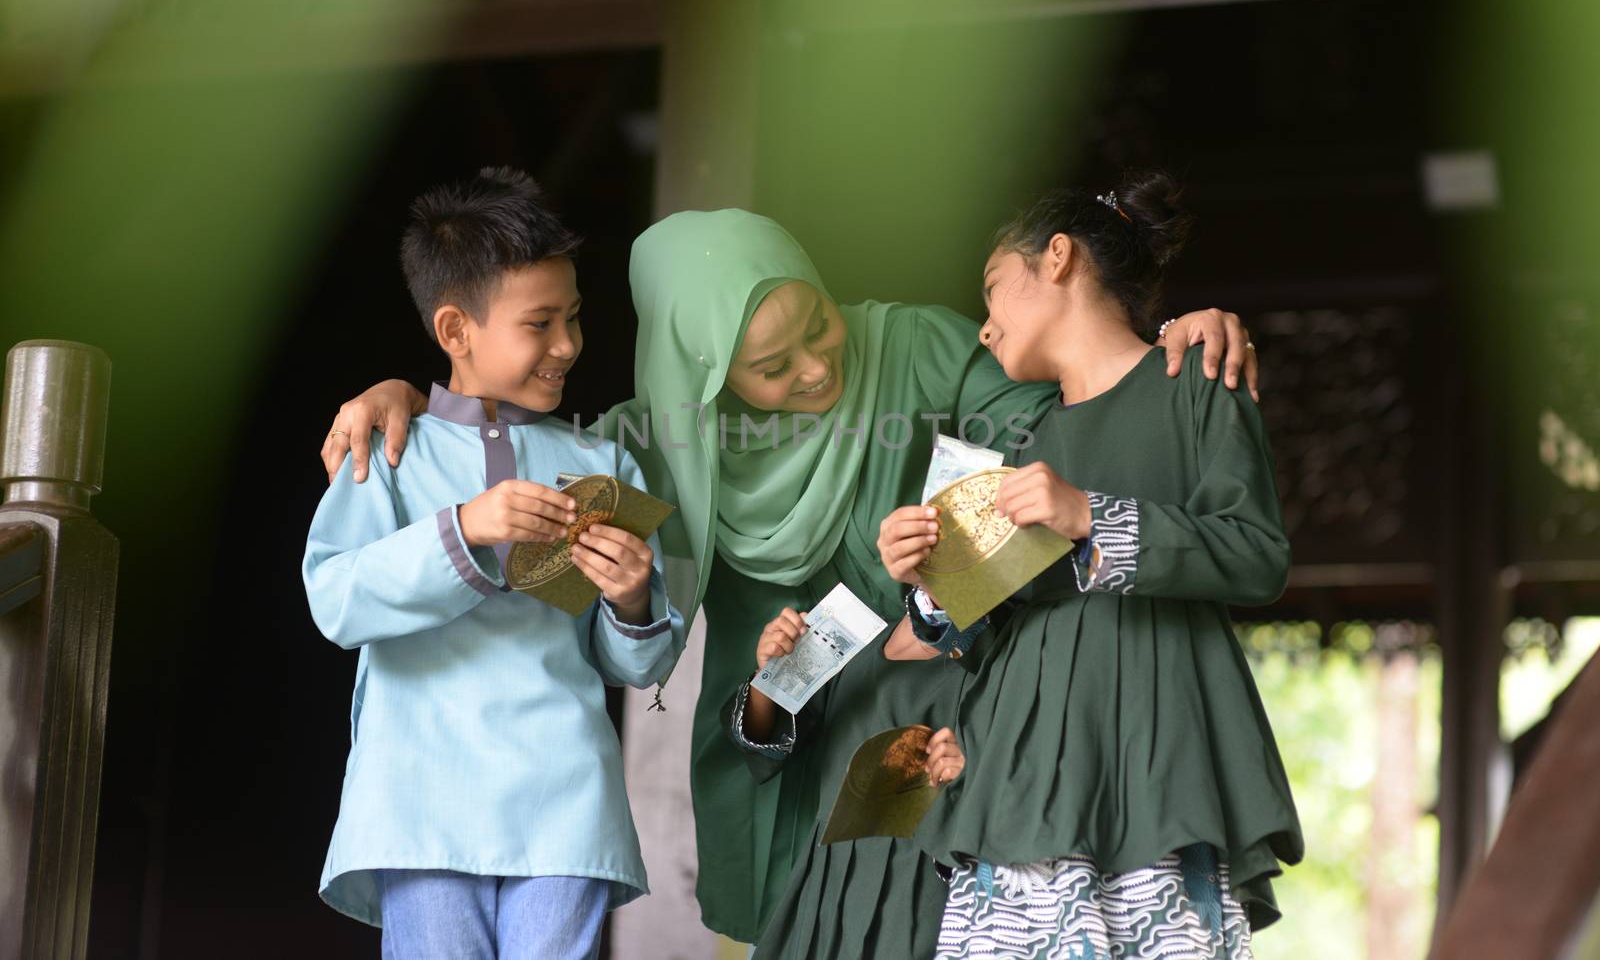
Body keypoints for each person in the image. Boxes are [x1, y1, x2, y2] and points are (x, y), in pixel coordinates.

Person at [318, 207, 1261, 948]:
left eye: (818, 323)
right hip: (797, 755)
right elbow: (507, 447)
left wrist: (1169, 338)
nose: (817, 368)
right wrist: (401, 395)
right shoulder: (646, 446)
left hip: (957, 728)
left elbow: (1065, 427)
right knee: (826, 927)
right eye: (770, 367)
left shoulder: (916, 349)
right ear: (703, 372)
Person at [877, 172, 1302, 959]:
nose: (984, 326)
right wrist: (927, 584)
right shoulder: (1021, 447)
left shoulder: (1195, 384)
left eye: (994, 289)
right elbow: (981, 622)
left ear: (1060, 258)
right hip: (1017, 778)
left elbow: (1257, 556)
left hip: (1152, 761)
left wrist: (1091, 517)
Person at [303, 167, 683, 960]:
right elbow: (334, 600)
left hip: (566, 797)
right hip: (417, 799)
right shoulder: (390, 452)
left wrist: (634, 599)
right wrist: (463, 529)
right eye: (540, 323)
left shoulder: (603, 463)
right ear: (455, 330)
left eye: (574, 318)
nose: (568, 345)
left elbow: (637, 667)